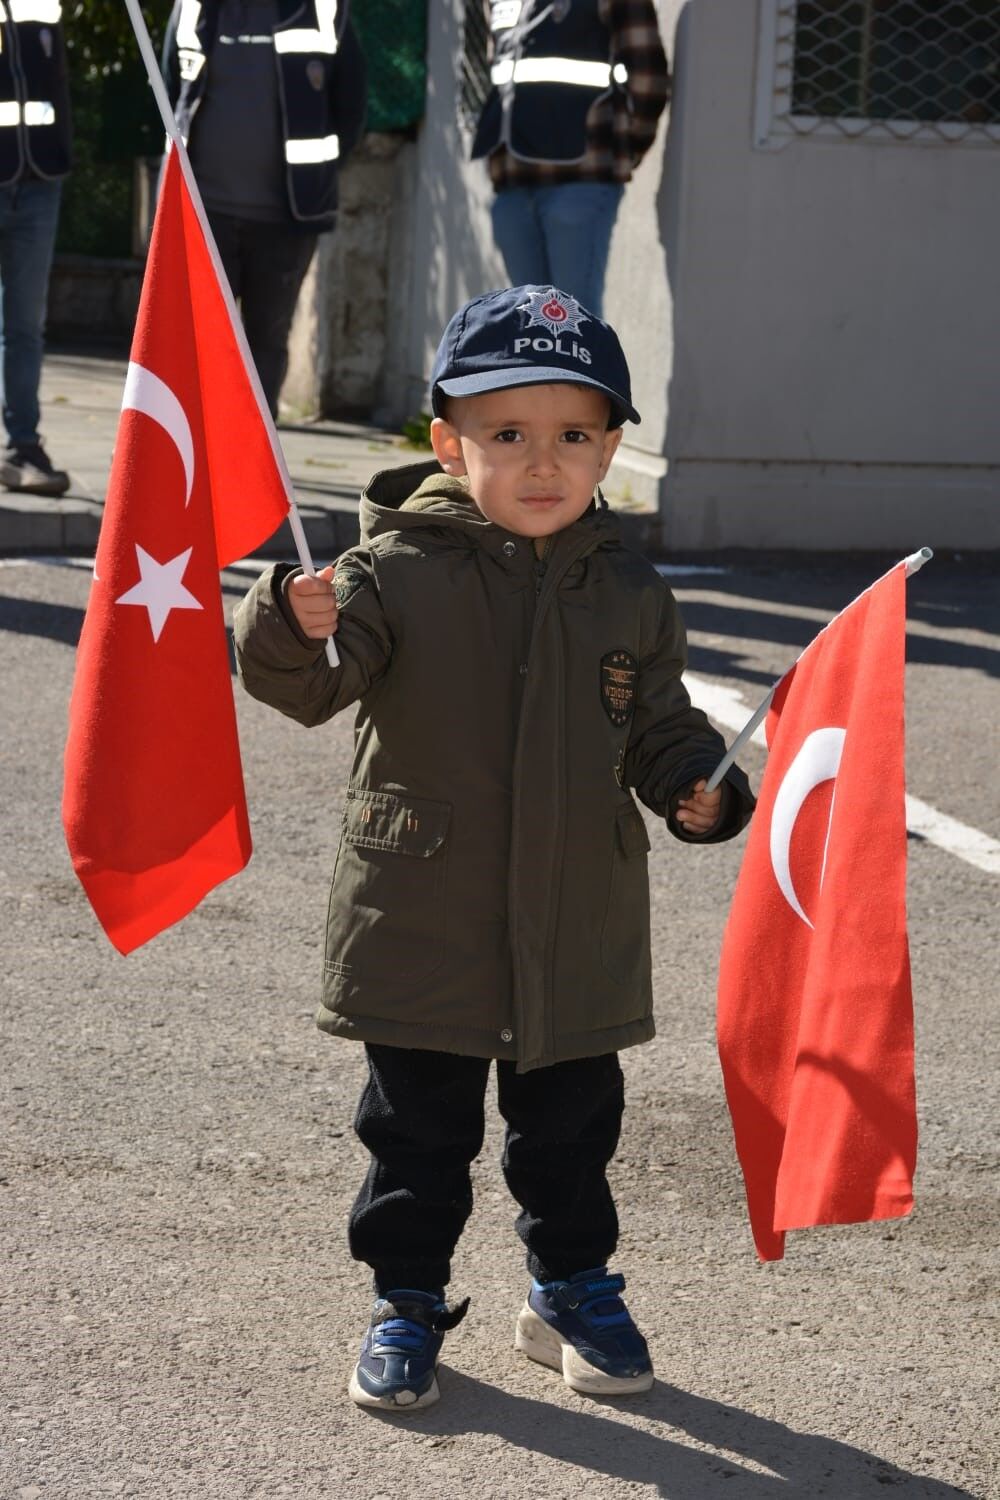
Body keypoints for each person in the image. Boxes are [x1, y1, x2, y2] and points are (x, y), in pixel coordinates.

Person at [233, 284, 755, 1412]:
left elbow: (658, 724)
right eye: (506, 433)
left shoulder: (626, 586)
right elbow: (310, 690)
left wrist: (694, 788)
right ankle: (406, 1301)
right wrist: (285, 619)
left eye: (573, 436)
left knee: (570, 1135)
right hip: (422, 923)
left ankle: (569, 1287)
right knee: (415, 1136)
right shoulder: (392, 569)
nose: (541, 463)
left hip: (576, 926)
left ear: (610, 448)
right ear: (446, 442)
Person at [162, 0, 367, 416]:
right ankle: (192, 469)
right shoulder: (192, 8)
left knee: (265, 349)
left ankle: (251, 472)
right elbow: (170, 93)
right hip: (201, 214)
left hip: (287, 218)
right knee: (194, 344)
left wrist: (316, 174)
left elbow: (352, 103)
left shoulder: (323, 9)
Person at [472, 1, 670, 317]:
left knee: (574, 324)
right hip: (511, 188)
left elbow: (649, 80)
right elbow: (500, 70)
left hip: (579, 184)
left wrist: (623, 150)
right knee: (529, 325)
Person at [0, 0, 72, 497]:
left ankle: (22, 446)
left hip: (39, 180)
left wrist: (60, 153)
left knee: (25, 325)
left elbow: (58, 85)